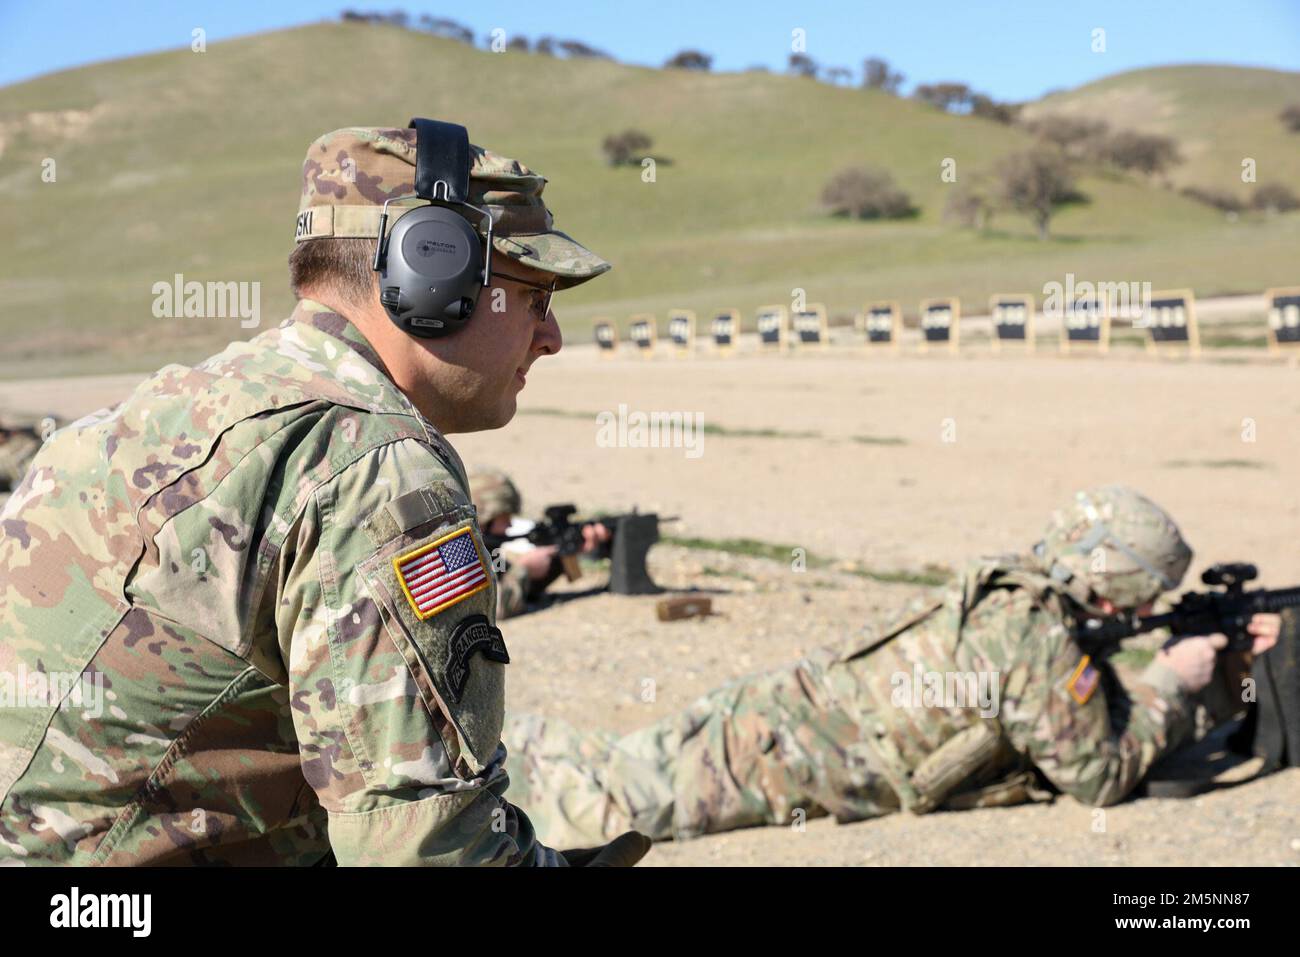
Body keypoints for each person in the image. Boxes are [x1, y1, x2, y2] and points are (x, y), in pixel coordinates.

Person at [0, 122, 648, 867]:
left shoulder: (187, 400)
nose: (553, 336)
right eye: (534, 296)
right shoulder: (375, 468)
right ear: (430, 278)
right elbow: (426, 851)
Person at [502, 485, 1281, 848]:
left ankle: (490, 761)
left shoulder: (1015, 593)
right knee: (618, 803)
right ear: (1115, 578)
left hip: (781, 715)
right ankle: (450, 799)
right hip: (787, 756)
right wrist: (1176, 680)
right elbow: (1097, 774)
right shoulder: (1035, 634)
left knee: (617, 767)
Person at [467, 468, 610, 620]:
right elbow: (494, 608)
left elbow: (514, 587)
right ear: (483, 517)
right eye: (505, 517)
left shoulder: (488, 549)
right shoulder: (462, 553)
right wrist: (524, 569)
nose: (509, 525)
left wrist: (563, 555)